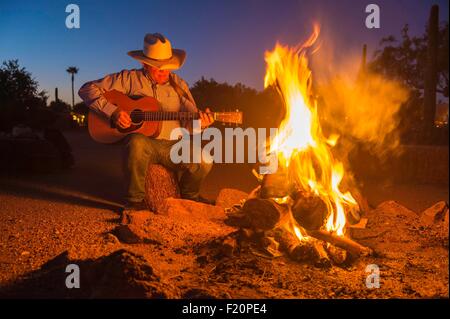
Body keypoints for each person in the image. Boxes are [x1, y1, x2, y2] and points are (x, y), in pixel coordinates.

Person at [79, 33, 214, 211]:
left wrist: (202, 124)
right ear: (144, 63)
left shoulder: (180, 86)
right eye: (158, 67)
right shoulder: (128, 78)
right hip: (145, 144)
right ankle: (135, 202)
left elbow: (191, 125)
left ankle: (190, 197)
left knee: (205, 158)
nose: (163, 71)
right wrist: (114, 112)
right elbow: (87, 89)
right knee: (136, 142)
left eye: (167, 66)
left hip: (174, 145)